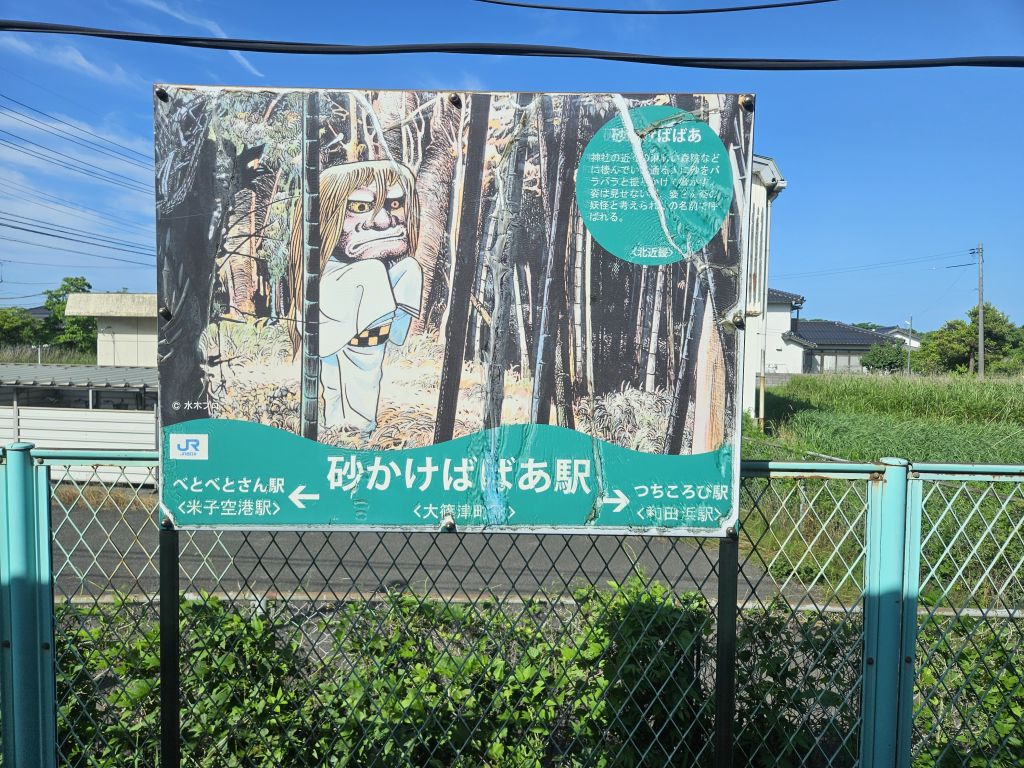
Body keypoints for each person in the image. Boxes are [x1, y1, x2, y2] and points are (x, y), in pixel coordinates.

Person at [288, 160, 422, 434]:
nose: (385, 221)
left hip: (363, 319)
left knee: (409, 269)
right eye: (360, 207)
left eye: (395, 204)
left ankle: (352, 427)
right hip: (328, 313)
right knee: (339, 381)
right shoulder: (339, 272)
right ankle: (354, 428)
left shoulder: (379, 272)